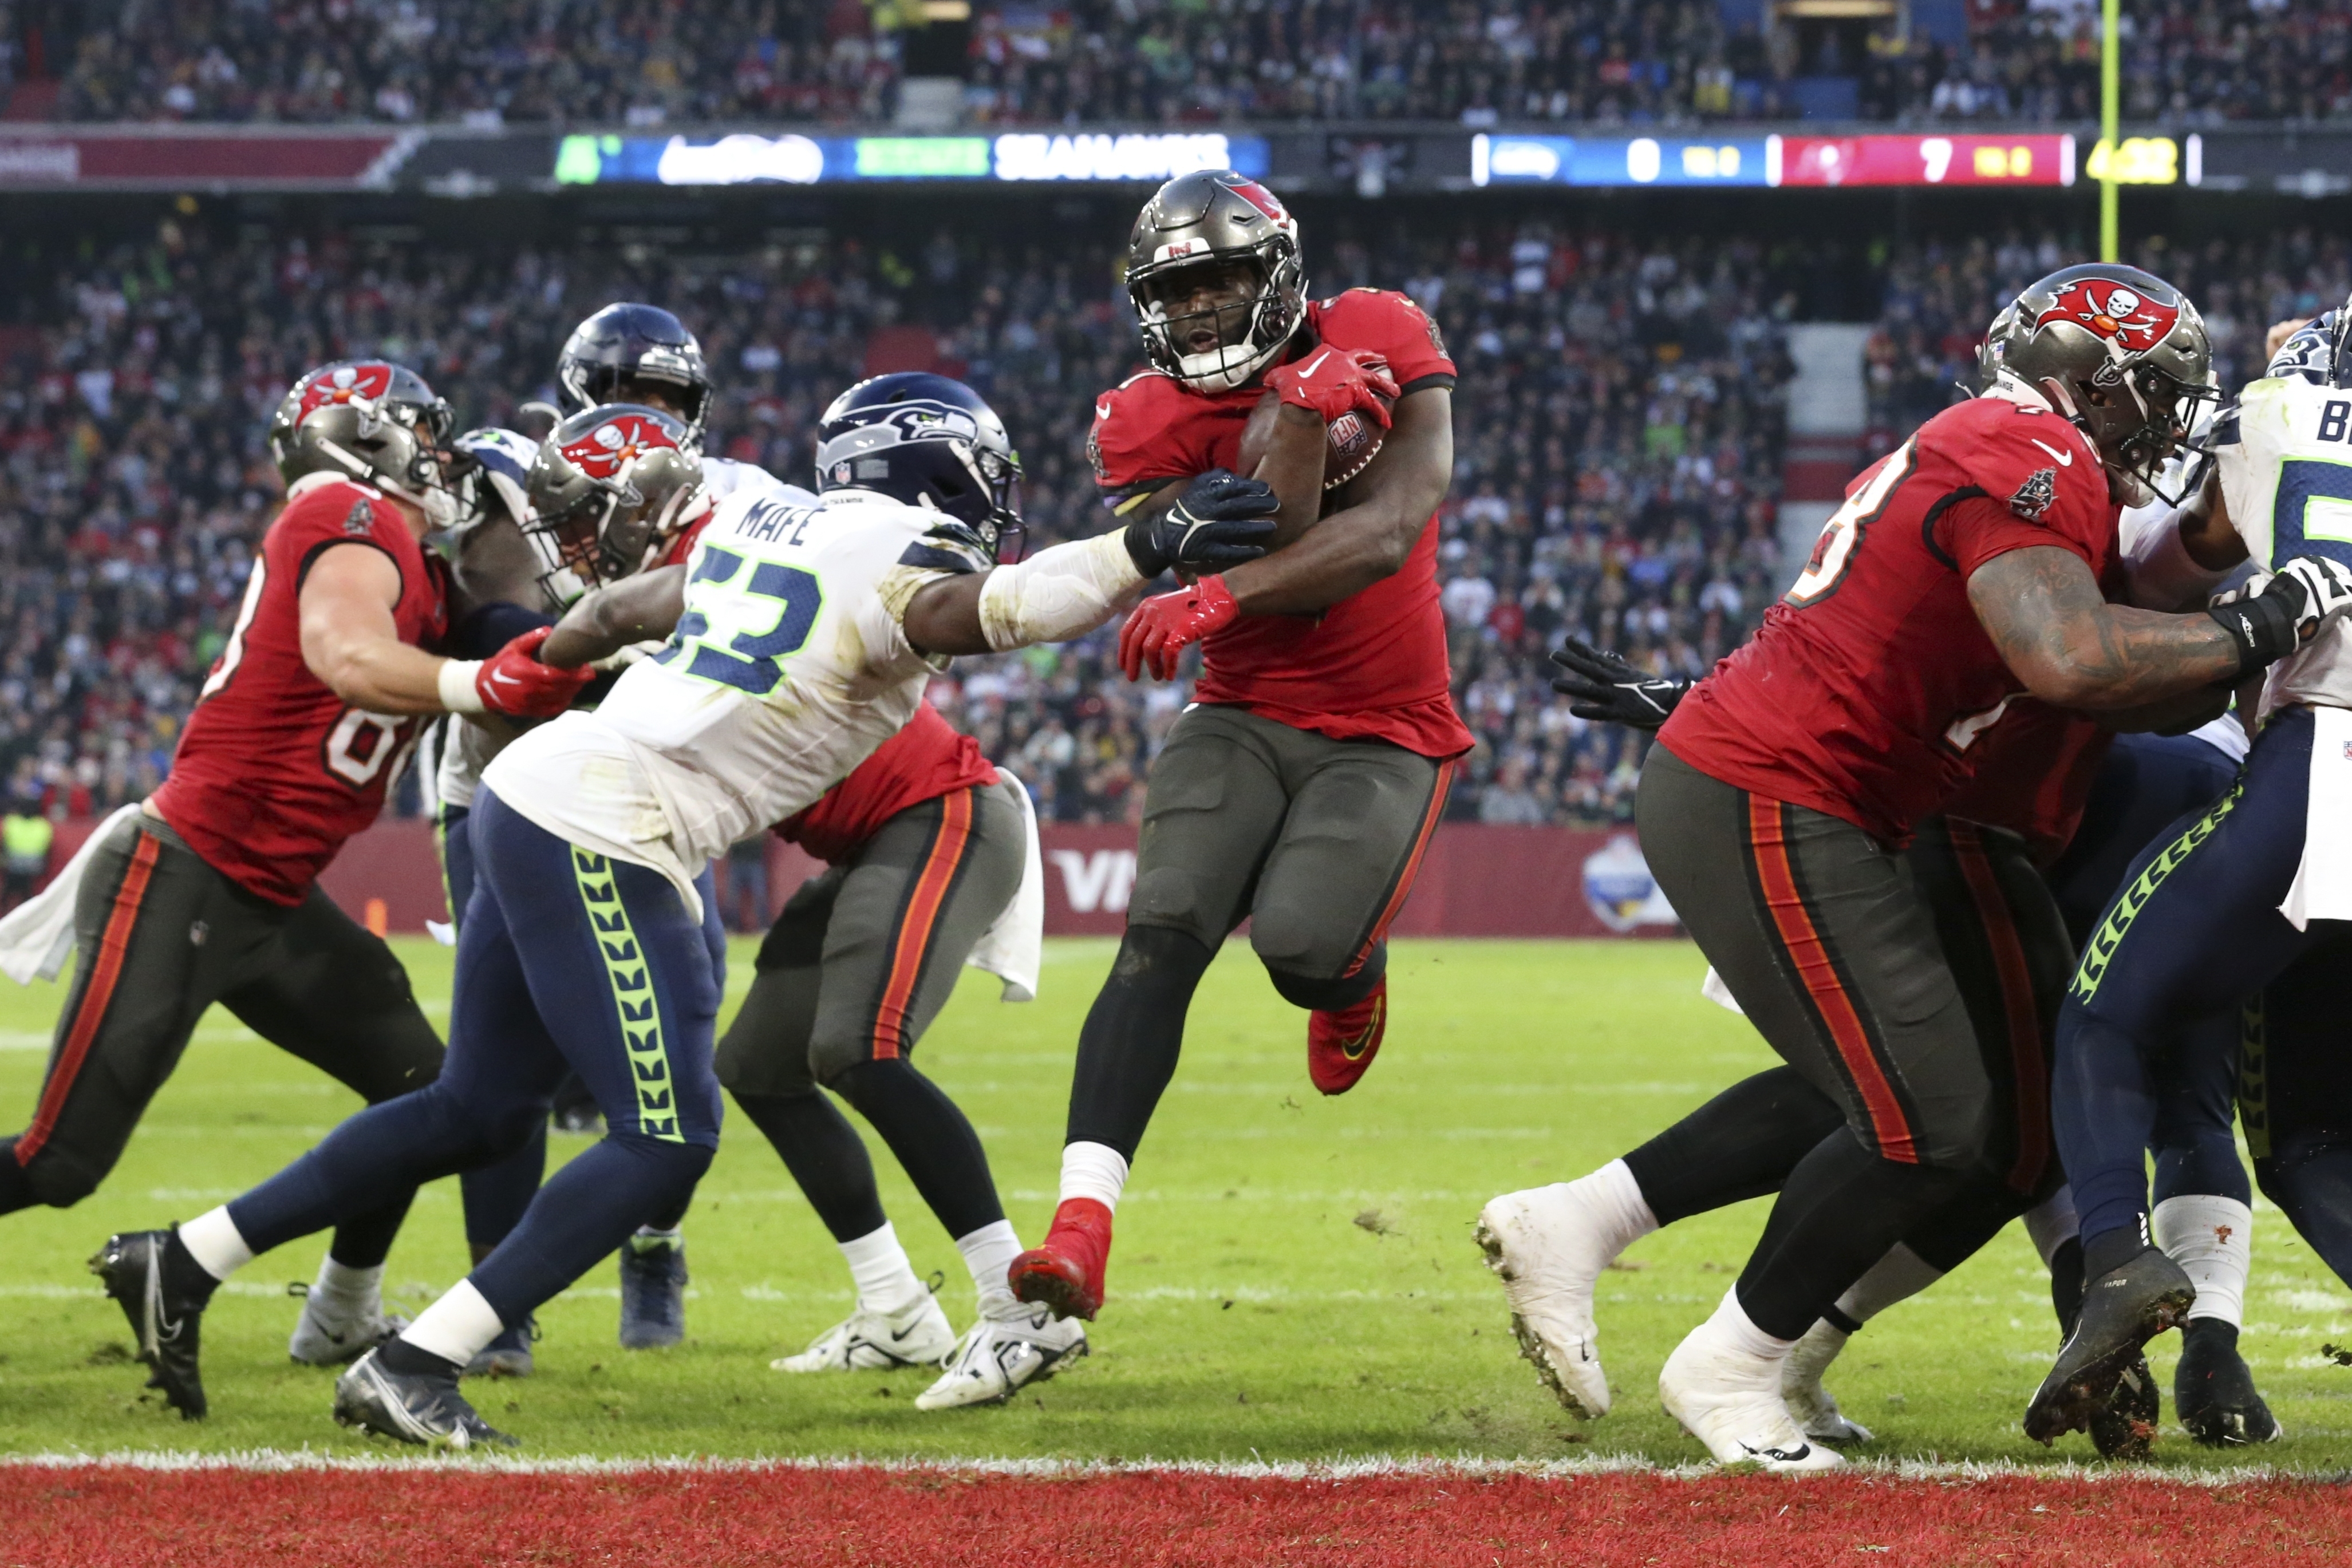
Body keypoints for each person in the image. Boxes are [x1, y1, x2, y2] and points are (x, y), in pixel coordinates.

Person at [86, 372, 1277, 1444]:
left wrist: (530, 661)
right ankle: (415, 1359)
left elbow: (613, 607)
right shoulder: (893, 559)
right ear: (949, 474)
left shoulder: (761, 517)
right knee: (665, 1135)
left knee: (475, 1100)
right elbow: (996, 609)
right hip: (606, 829)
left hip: (526, 797)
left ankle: (185, 1259)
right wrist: (1143, 546)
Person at [1479, 263, 2352, 1470]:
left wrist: (2245, 546)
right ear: (2082, 381)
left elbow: (2116, 621)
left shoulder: (2029, 461)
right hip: (1797, 793)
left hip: (1866, 795)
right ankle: (1731, 1360)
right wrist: (2260, 623)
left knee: (1995, 1112)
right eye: (2147, 394)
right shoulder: (2020, 454)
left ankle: (1617, 1241)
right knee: (1924, 1116)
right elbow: (2073, 659)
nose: (2164, 423)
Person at [13, 360, 590, 1416]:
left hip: (274, 897)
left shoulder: (423, 570)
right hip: (188, 871)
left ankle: (340, 1306)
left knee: (431, 1091)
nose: (442, 454)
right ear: (363, 442)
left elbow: (524, 671)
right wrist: (479, 678)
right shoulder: (345, 510)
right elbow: (346, 655)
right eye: (423, 432)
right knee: (60, 1160)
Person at [1009, 169, 1466, 1327]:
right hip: (1242, 709)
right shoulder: (1136, 415)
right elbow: (1274, 524)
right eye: (1180, 289)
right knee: (1159, 929)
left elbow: (1389, 527)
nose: (1204, 308)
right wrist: (1299, 417)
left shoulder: (1384, 326)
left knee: (1304, 947)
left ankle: (1350, 981)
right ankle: (1078, 1223)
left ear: (1276, 272)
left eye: (1221, 278)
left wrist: (1221, 590)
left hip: (1384, 724)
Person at [2029, 288, 2352, 1443]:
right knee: (2308, 1130)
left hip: (2318, 764)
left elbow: (2155, 571)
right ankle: (2207, 1346)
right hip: (2292, 779)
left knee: (2103, 1017)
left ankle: (2116, 1259)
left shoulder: (2275, 410)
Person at [1, 789, 53, 914]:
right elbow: (47, 852)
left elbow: (4, 847)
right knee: (28, 889)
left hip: (14, 866)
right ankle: (29, 908)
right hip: (35, 867)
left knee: (10, 889)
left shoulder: (11, 822)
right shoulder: (44, 825)